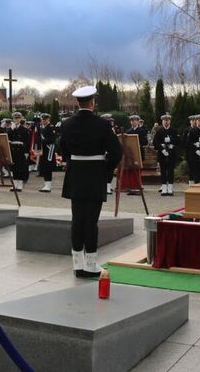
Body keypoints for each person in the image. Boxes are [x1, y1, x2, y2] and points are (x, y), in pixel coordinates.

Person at [60, 86, 123, 279]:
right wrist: (106, 171)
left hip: (76, 175)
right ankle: (91, 264)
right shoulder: (102, 125)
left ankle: (77, 265)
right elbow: (117, 152)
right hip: (95, 175)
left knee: (77, 220)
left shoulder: (67, 124)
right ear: (93, 102)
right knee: (91, 221)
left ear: (78, 103)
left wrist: (74, 162)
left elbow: (63, 150)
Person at [152, 113, 179, 195]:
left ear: (170, 121)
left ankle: (170, 187)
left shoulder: (174, 130)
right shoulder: (159, 131)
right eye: (164, 120)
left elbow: (178, 140)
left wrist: (172, 144)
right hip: (162, 154)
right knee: (163, 170)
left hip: (171, 154)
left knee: (170, 170)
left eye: (167, 120)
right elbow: (155, 142)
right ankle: (164, 187)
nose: (166, 122)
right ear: (162, 122)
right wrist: (162, 149)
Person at [7, 112, 30, 192]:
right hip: (13, 150)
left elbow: (27, 142)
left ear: (20, 119)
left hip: (21, 151)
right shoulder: (10, 129)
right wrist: (11, 130)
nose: (16, 119)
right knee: (14, 168)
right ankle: (14, 184)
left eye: (18, 118)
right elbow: (8, 139)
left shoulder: (24, 130)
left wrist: (26, 152)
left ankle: (19, 184)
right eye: (15, 118)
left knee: (20, 168)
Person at [37, 113, 57, 192]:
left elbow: (52, 140)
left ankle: (48, 186)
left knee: (48, 168)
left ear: (48, 119)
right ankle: (46, 185)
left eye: (45, 119)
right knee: (44, 168)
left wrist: (42, 141)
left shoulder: (51, 128)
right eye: (43, 119)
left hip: (49, 150)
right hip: (43, 150)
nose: (44, 120)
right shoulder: (42, 128)